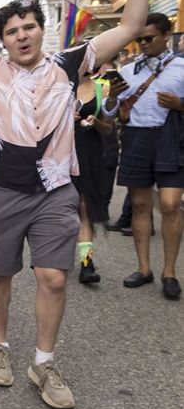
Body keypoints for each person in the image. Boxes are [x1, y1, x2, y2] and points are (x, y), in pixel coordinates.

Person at [0, 0, 152, 409]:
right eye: (13, 31)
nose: (22, 36)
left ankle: (44, 361)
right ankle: (0, 347)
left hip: (55, 189)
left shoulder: (70, 62)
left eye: (29, 27)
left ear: (43, 30)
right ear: (3, 40)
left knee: (54, 277)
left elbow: (132, 24)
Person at [102, 12, 184, 300]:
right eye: (140, 39)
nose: (144, 43)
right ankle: (144, 268)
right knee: (139, 205)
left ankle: (170, 271)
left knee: (172, 205)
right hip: (137, 138)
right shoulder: (128, 70)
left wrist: (180, 104)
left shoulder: (181, 67)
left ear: (166, 35)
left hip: (170, 138)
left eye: (149, 38)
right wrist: (113, 97)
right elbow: (110, 113)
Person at [71, 59, 115, 284]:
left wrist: (97, 122)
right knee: (61, 208)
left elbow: (109, 129)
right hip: (62, 155)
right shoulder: (60, 87)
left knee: (84, 208)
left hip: (90, 155)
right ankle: (54, 254)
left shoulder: (102, 87)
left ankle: (87, 264)